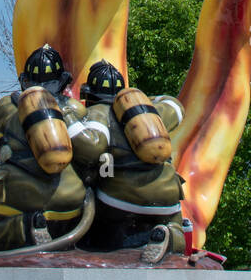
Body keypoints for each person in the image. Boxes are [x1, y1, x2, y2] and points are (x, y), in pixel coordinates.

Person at [72, 59, 187, 262]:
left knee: (96, 225)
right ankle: (171, 235)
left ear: (89, 94)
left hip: (120, 201)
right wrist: (142, 100)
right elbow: (176, 106)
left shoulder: (97, 114)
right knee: (176, 222)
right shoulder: (150, 113)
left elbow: (90, 149)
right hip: (168, 197)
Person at [0, 44, 88, 251]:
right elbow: (88, 154)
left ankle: (26, 226)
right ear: (63, 80)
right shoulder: (76, 109)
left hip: (21, 202)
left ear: (25, 80)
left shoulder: (7, 106)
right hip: (73, 204)